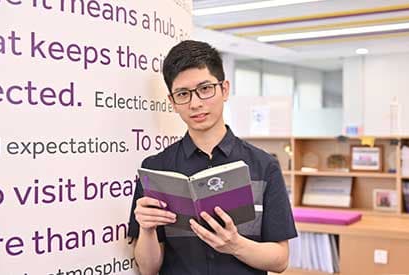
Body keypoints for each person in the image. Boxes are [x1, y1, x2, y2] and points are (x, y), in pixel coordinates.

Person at [127, 40, 297, 275]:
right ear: (172, 102)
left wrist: (236, 245)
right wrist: (146, 230)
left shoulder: (264, 166)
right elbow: (148, 269)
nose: (195, 104)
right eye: (183, 94)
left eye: (205, 89)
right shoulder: (157, 168)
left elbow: (280, 260)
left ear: (224, 89)